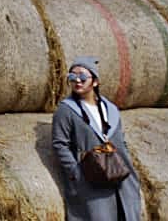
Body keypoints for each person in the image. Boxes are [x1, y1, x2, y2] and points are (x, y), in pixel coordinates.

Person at [49, 56, 143, 221]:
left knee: (126, 214)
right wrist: (75, 172)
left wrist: (129, 166)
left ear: (95, 81)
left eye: (83, 77)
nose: (77, 80)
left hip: (121, 177)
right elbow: (60, 144)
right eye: (72, 77)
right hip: (90, 178)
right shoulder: (66, 110)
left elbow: (122, 141)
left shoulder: (111, 109)